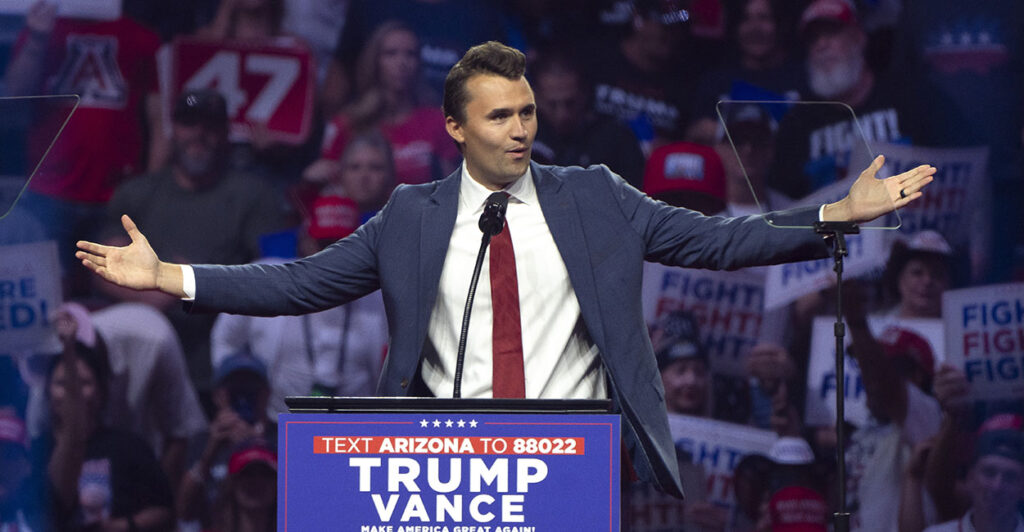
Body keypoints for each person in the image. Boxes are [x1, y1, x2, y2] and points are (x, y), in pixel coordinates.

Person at [76, 41, 936, 498]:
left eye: (526, 112)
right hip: (448, 465)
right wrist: (172, 278)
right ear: (454, 128)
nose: (521, 129)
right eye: (499, 116)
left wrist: (833, 215)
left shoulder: (597, 195)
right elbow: (300, 283)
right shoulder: (409, 217)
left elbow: (714, 241)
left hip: (577, 454)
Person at [98, 89, 288, 391]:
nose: (199, 135)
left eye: (210, 126)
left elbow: (278, 275)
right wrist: (153, 293)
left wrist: (200, 283)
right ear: (174, 129)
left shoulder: (254, 195)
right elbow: (101, 266)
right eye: (189, 124)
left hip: (225, 356)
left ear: (226, 132)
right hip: (147, 352)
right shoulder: (136, 194)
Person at [768, 0, 919, 199]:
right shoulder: (797, 124)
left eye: (832, 32)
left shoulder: (907, 98)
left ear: (859, 37)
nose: (821, 44)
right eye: (813, 39)